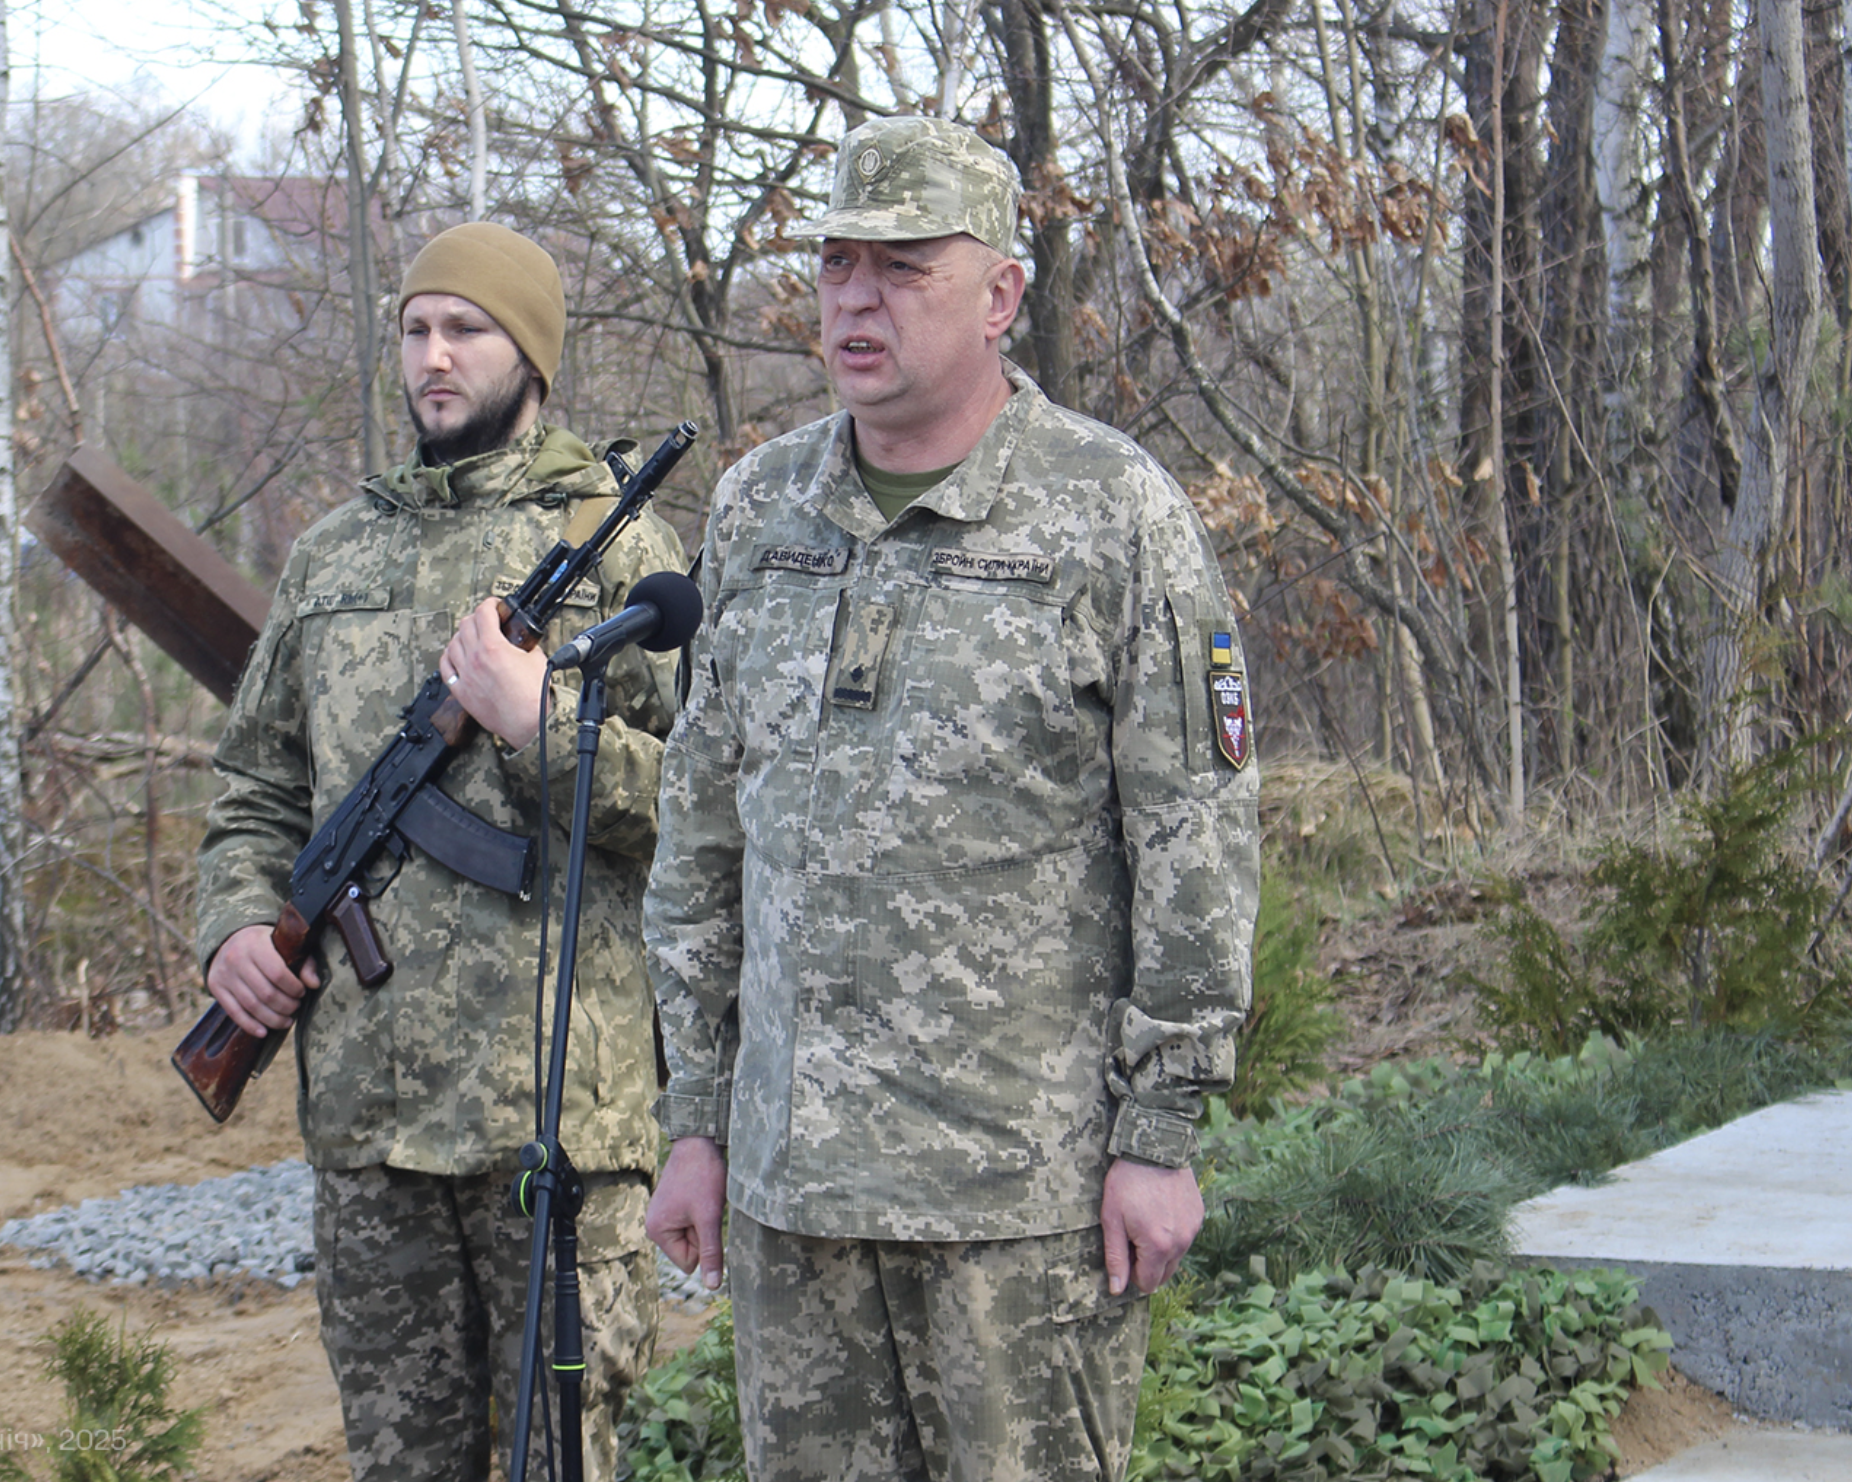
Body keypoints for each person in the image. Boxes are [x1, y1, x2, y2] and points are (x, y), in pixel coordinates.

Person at [640, 117, 1261, 1482]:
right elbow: (700, 836)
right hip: (793, 1201)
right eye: (836, 265)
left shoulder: (1109, 514)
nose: (856, 299)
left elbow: (1194, 837)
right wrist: (693, 1118)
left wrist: (1158, 1131)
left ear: (999, 295)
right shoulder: (758, 510)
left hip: (1013, 1200)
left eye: (903, 266)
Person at [195, 221, 688, 1482]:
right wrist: (240, 929)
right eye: (415, 329)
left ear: (531, 353)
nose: (433, 355)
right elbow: (256, 783)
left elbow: (701, 811)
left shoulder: (621, 552)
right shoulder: (333, 554)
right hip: (370, 1125)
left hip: (556, 1123)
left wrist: (545, 727)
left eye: (465, 328)